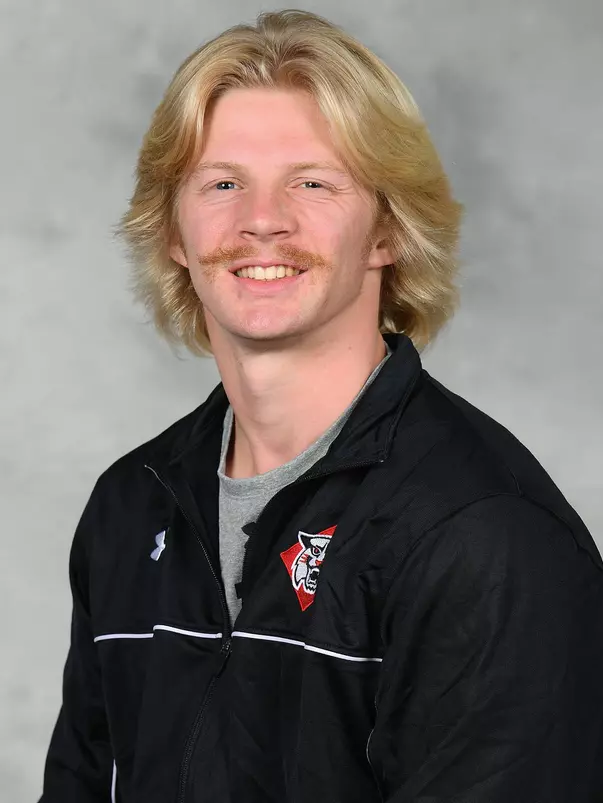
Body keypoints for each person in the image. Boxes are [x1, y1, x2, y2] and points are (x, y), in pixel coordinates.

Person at [40, 9, 603, 803]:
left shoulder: (485, 537)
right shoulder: (130, 508)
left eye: (311, 182)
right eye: (223, 183)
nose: (261, 220)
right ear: (173, 230)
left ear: (386, 232)